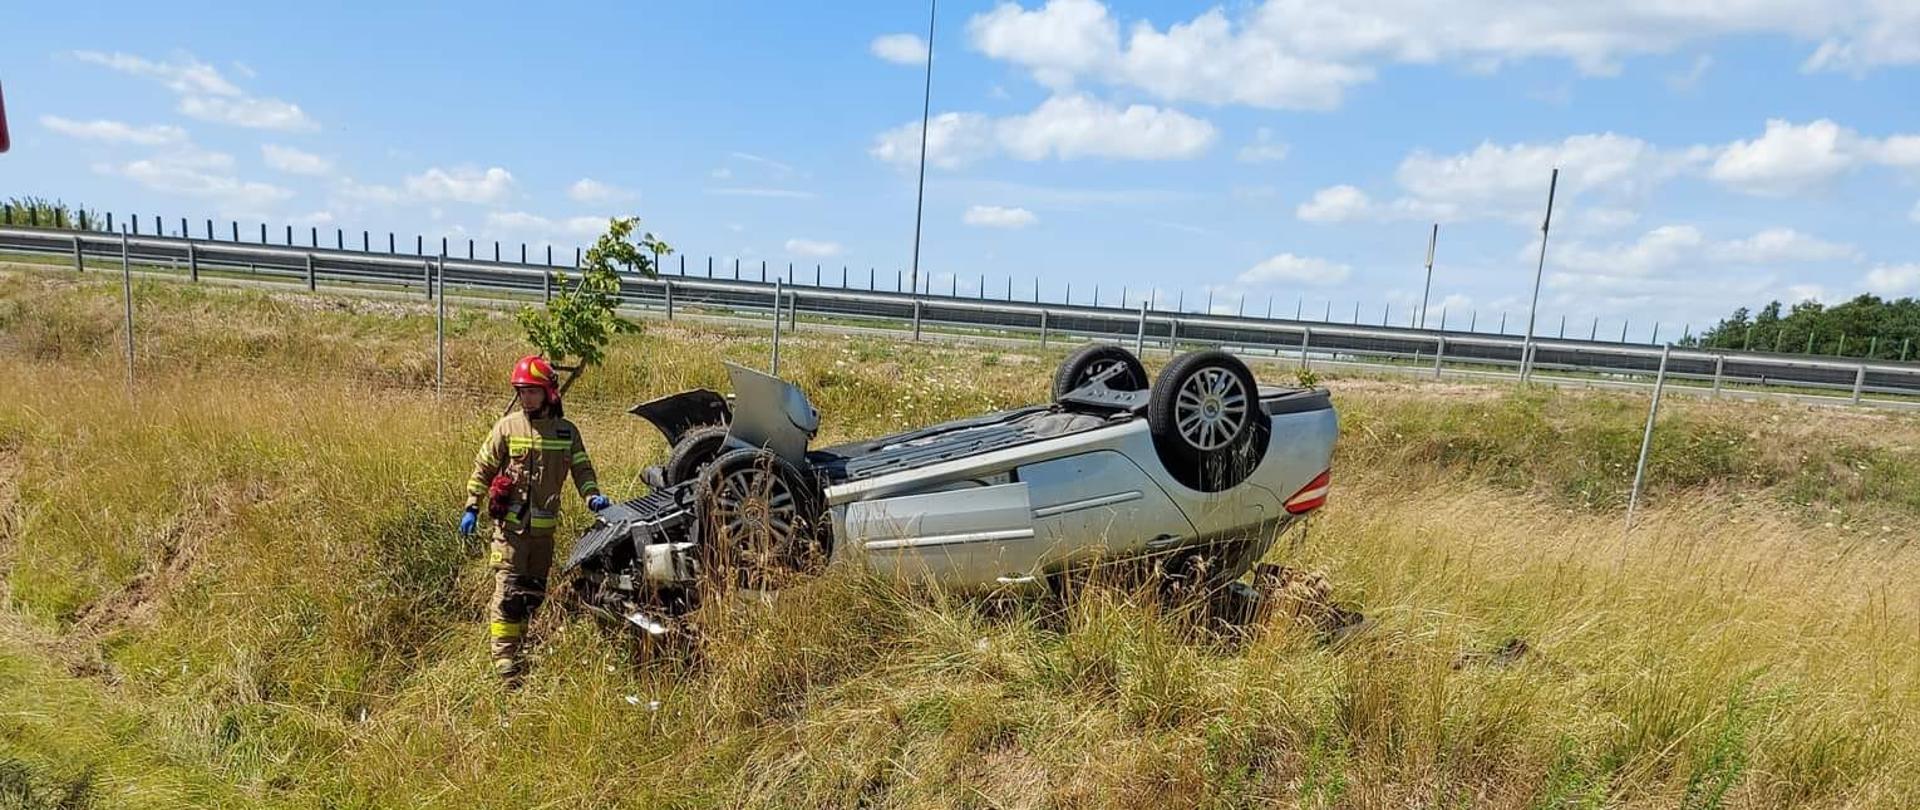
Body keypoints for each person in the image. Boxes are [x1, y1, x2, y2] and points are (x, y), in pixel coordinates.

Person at [459, 355, 611, 684]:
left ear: (548, 393)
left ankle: (521, 647)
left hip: (544, 535)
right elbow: (483, 467)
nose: (525, 397)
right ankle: (504, 659)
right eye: (521, 391)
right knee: (508, 591)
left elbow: (582, 468)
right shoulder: (507, 427)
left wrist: (592, 495)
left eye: (531, 391)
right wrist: (472, 505)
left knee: (532, 592)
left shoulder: (566, 432)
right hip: (510, 531)